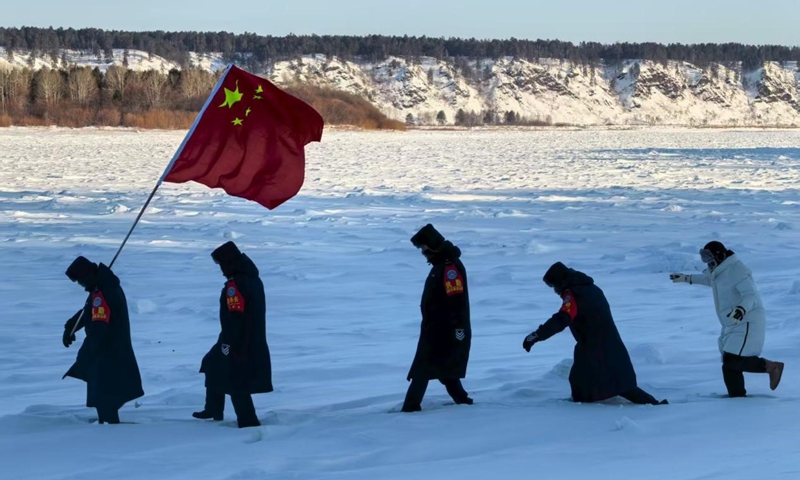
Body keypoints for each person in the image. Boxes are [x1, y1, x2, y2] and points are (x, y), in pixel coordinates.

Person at [523, 261, 667, 405]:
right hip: (610, 342)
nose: (555, 290)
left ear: (560, 281)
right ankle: (653, 404)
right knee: (619, 381)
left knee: (581, 380)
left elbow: (562, 318)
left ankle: (584, 410)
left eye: (553, 286)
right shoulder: (591, 288)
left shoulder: (573, 294)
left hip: (592, 346)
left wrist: (536, 336)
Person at [670, 240, 784, 397]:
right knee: (729, 362)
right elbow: (709, 280)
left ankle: (772, 367)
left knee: (732, 360)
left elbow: (750, 295)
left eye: (709, 258)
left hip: (748, 320)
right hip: (732, 322)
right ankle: (736, 398)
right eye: (705, 258)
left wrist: (741, 309)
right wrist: (686, 278)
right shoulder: (718, 270)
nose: (708, 262)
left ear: (720, 255)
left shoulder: (737, 270)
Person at [193, 241, 272, 428]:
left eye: (221, 264)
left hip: (238, 340)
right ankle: (213, 408)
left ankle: (248, 421)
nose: (220, 269)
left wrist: (228, 343)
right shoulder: (252, 278)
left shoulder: (235, 285)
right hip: (249, 337)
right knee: (213, 364)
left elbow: (236, 318)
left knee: (236, 379)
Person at [62, 256, 144, 424]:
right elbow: (88, 311)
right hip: (111, 350)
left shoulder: (102, 292)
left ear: (87, 275)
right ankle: (108, 425)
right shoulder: (103, 286)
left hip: (107, 351)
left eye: (80, 281)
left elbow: (100, 325)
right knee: (108, 391)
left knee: (104, 394)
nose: (81, 285)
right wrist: (71, 326)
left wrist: (88, 349)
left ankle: (109, 431)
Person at [403, 224, 473, 412]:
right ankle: (463, 403)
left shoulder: (450, 268)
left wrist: (458, 329)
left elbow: (456, 301)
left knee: (423, 369)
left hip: (444, 330)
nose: (423, 252)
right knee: (445, 369)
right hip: (436, 328)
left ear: (432, 245)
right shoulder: (441, 265)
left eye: (423, 248)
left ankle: (410, 408)